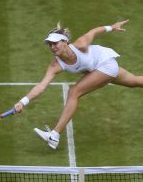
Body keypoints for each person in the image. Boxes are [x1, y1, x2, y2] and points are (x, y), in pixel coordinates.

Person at [14, 19, 143, 149]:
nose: (52, 47)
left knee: (74, 92)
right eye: (50, 44)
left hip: (106, 64)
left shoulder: (80, 44)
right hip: (99, 70)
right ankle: (55, 135)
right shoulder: (55, 65)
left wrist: (112, 27)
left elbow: (94, 32)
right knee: (135, 81)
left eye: (55, 43)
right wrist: (23, 101)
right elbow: (41, 86)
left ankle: (54, 135)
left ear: (65, 42)